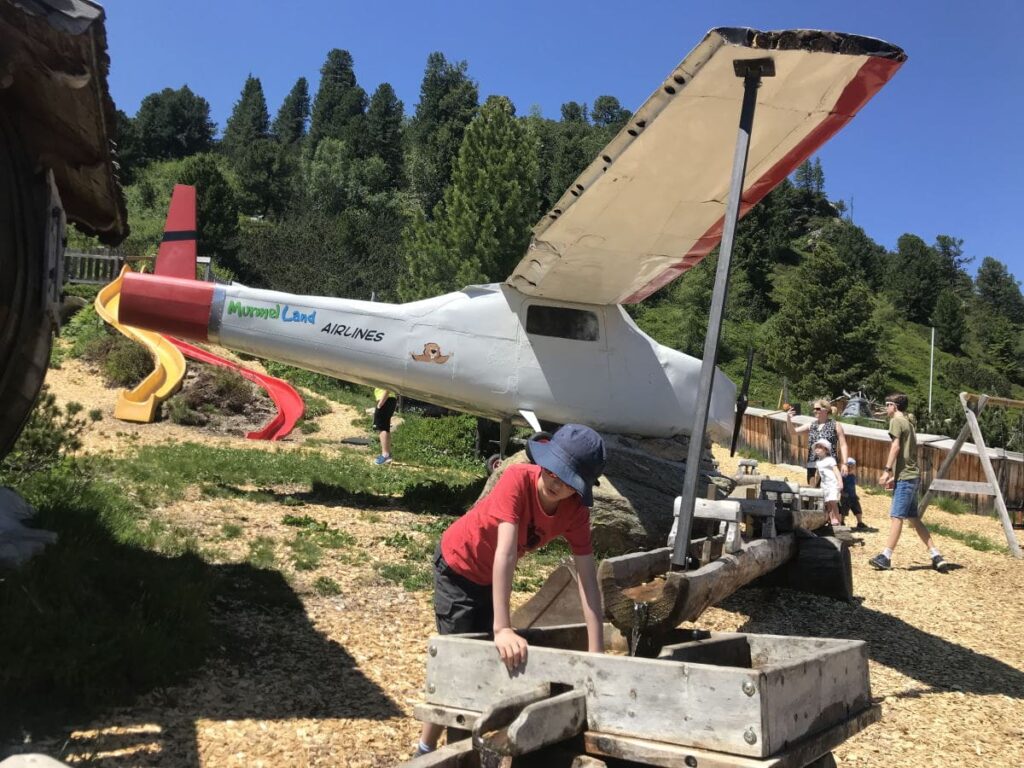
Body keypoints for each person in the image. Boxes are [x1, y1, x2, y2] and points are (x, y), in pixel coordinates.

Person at [415, 424, 606, 757]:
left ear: (580, 487)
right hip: (459, 565)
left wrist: (596, 653)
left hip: (488, 578)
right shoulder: (517, 479)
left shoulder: (575, 512)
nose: (554, 480)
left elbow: (588, 579)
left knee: (477, 661)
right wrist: (502, 627)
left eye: (566, 478)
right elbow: (504, 552)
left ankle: (438, 747)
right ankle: (429, 749)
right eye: (552, 469)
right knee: (459, 660)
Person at [869, 394, 949, 573]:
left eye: (887, 405)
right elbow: (908, 453)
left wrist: (886, 470)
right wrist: (895, 476)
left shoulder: (896, 422)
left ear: (894, 406)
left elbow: (896, 447)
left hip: (906, 478)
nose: (886, 409)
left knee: (897, 517)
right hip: (912, 476)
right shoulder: (909, 424)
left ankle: (886, 556)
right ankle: (936, 555)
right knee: (913, 518)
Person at [786, 398, 850, 484]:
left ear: (826, 410)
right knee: (812, 490)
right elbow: (792, 432)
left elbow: (843, 445)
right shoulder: (811, 425)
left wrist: (845, 464)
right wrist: (788, 419)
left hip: (829, 464)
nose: (814, 411)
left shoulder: (835, 425)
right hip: (812, 463)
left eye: (817, 409)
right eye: (814, 409)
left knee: (828, 489)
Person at [813, 438, 843, 526]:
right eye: (816, 447)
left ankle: (838, 520)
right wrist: (816, 484)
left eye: (820, 447)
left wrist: (840, 481)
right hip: (824, 485)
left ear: (826, 450)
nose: (817, 449)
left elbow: (836, 471)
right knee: (827, 503)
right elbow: (817, 474)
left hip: (832, 483)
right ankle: (831, 520)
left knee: (833, 501)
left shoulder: (830, 459)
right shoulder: (818, 462)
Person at [839, 457, 869, 531]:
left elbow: (852, 486)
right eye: (849, 466)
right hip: (845, 497)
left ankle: (860, 523)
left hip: (853, 496)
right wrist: (842, 493)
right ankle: (841, 522)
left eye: (852, 466)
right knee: (843, 510)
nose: (850, 468)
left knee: (858, 509)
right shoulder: (842, 476)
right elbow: (839, 486)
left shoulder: (852, 476)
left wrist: (855, 494)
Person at [372, 387, 397, 465]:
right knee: (385, 427)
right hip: (389, 400)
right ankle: (387, 454)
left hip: (385, 400)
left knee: (381, 428)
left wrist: (380, 404)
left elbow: (387, 387)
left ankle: (385, 455)